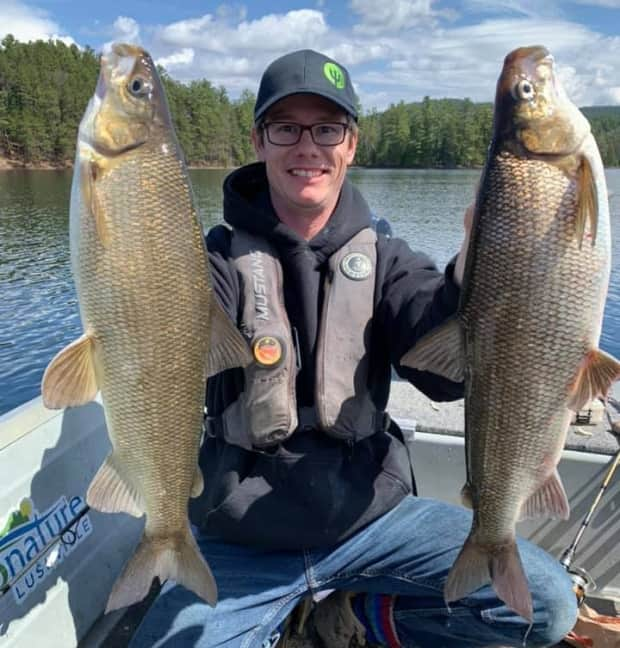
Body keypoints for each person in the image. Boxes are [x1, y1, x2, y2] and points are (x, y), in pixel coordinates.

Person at [130, 49, 577, 648]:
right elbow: (158, 327)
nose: (307, 147)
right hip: (241, 538)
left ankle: (358, 617)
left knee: (545, 607)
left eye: (327, 128)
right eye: (286, 127)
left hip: (374, 522)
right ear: (260, 141)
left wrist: (481, 263)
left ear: (351, 145)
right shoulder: (207, 262)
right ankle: (289, 611)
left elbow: (448, 376)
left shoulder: (387, 260)